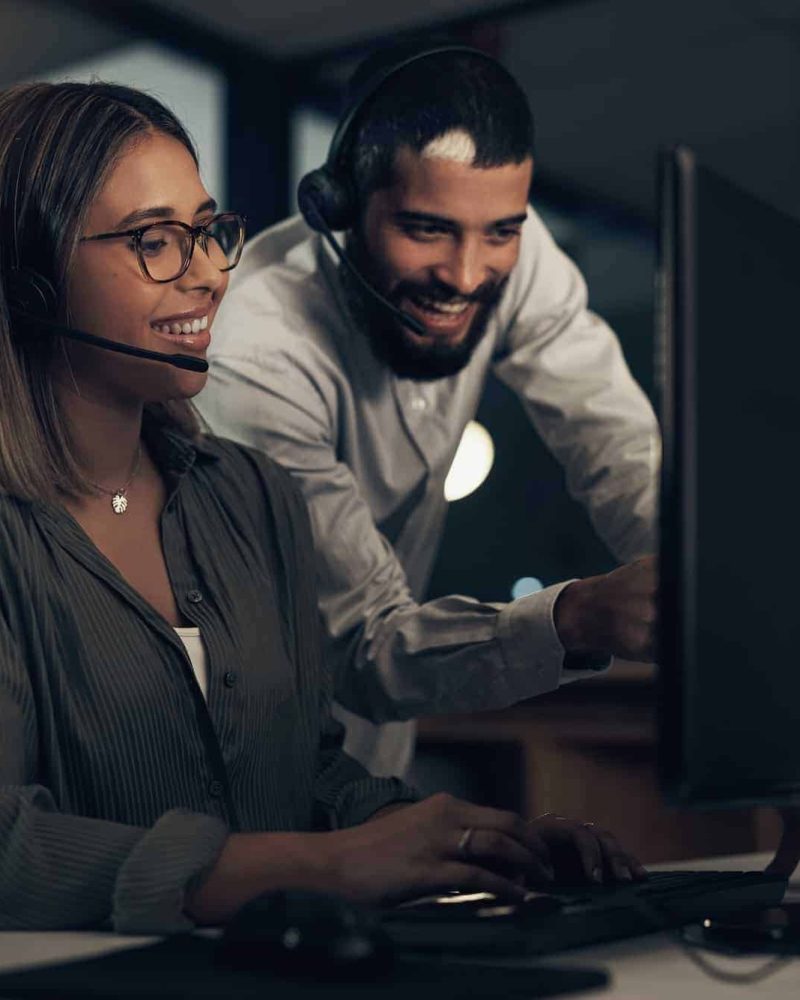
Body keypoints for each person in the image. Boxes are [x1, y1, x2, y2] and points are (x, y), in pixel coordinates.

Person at [0, 81, 647, 934]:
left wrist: (464, 840)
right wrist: (323, 867)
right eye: (156, 241)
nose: (207, 277)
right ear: (31, 279)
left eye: (208, 233)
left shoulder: (252, 496)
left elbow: (307, 770)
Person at [196, 42, 660, 780]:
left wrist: (693, 576)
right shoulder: (256, 353)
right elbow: (364, 646)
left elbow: (619, 448)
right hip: (243, 764)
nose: (469, 276)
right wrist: (577, 616)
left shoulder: (514, 248)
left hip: (380, 758)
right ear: (340, 206)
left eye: (501, 232)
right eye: (426, 230)